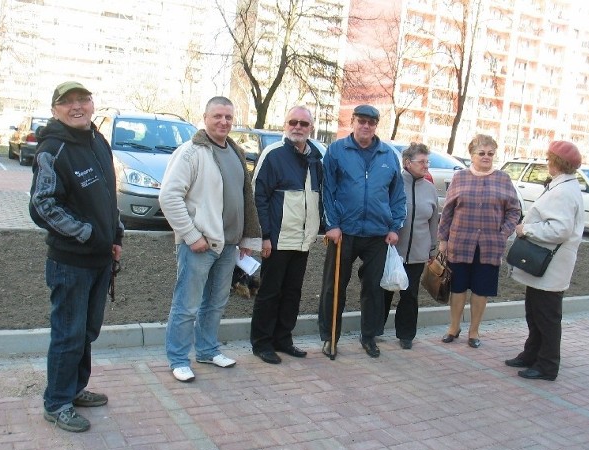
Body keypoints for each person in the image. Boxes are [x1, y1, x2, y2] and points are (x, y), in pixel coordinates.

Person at [29, 81, 124, 432]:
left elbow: (107, 196)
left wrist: (114, 235)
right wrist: (85, 233)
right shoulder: (53, 149)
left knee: (86, 332)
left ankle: (74, 388)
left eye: (82, 99)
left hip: (99, 259)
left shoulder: (98, 140)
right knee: (68, 334)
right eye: (67, 102)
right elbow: (42, 205)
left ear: (92, 103)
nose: (77, 106)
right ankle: (56, 403)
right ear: (56, 110)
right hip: (70, 263)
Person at [159, 96, 261, 382]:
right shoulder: (191, 152)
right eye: (217, 116)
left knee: (215, 303)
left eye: (228, 117)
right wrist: (192, 235)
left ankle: (206, 350)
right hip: (200, 245)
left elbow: (245, 199)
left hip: (228, 245)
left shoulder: (236, 152)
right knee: (186, 305)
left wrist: (245, 240)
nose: (223, 122)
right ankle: (178, 358)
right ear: (205, 118)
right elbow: (168, 196)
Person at [318, 104, 406, 358]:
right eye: (361, 121)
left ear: (376, 126)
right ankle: (330, 337)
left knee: (374, 289)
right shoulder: (336, 151)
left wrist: (394, 226)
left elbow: (397, 196)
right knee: (333, 287)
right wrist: (331, 225)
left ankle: (369, 336)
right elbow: (328, 191)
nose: (366, 126)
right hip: (344, 232)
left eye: (371, 122)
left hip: (378, 234)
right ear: (353, 122)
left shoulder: (388, 155)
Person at [250, 106, 323, 364]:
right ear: (285, 125)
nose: (298, 127)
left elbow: (316, 199)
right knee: (270, 292)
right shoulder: (273, 155)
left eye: (304, 123)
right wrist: (265, 236)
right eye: (293, 122)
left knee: (293, 292)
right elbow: (258, 197)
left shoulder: (316, 159)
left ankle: (283, 339)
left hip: (302, 241)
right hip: (278, 239)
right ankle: (261, 343)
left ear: (311, 128)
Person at [506, 141, 584, 381]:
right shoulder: (563, 187)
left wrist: (526, 230)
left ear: (557, 162)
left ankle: (547, 365)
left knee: (547, 318)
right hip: (545, 266)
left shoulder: (564, 191)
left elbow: (559, 230)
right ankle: (532, 354)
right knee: (535, 312)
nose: (546, 162)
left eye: (549, 158)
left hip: (551, 266)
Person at [438, 134, 521, 348]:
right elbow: (447, 212)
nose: (486, 157)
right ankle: (453, 327)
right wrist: (443, 240)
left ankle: (474, 332)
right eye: (481, 153)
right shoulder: (460, 178)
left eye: (490, 153)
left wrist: (503, 233)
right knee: (457, 288)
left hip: (490, 245)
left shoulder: (503, 178)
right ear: (472, 155)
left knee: (481, 289)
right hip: (460, 242)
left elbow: (514, 211)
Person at [383, 143, 439, 349]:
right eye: (421, 162)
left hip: (417, 253)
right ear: (407, 163)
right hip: (392, 251)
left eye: (427, 162)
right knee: (384, 290)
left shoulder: (430, 188)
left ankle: (406, 334)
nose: (426, 166)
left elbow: (433, 222)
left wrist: (432, 248)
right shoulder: (394, 183)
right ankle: (373, 329)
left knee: (410, 295)